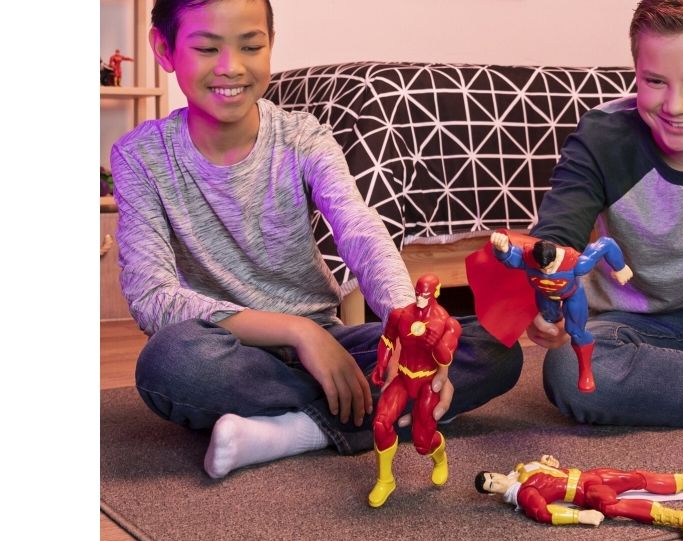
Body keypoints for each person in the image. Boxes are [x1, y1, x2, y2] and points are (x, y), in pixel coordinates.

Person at [110, 0, 522, 480]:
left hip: (332, 339)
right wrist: (298, 333)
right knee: (169, 362)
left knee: (495, 348)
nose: (231, 67)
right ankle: (369, 410)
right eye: (206, 49)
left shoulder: (303, 136)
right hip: (228, 348)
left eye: (251, 46)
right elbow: (152, 297)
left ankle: (291, 431)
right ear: (164, 49)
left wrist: (407, 325)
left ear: (270, 44)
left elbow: (358, 228)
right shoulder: (139, 156)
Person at [526, 0, 683, 426]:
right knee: (572, 368)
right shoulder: (603, 136)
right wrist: (543, 294)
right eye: (655, 81)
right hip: (632, 324)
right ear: (635, 73)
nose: (676, 106)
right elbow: (557, 237)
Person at [489, 231, 633, 393]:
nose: (546, 272)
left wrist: (620, 267)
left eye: (549, 268)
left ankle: (585, 370)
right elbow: (511, 258)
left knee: (576, 331)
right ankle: (554, 322)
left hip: (572, 296)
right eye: (541, 268)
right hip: (545, 297)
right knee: (550, 321)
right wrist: (503, 249)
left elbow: (606, 244)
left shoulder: (577, 264)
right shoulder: (529, 259)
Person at [368, 274, 461, 508]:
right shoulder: (401, 315)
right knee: (380, 423)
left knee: (422, 442)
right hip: (402, 376)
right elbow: (388, 340)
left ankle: (439, 455)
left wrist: (436, 344)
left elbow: (446, 358)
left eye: (425, 295)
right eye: (418, 293)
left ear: (436, 293)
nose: (420, 299)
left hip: (427, 382)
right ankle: (385, 480)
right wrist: (381, 363)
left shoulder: (447, 323)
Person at [475, 454, 683, 541]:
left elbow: (550, 472)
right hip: (584, 492)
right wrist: (580, 516)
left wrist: (549, 463)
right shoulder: (524, 494)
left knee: (635, 478)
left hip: (589, 475)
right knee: (612, 507)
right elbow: (545, 513)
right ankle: (678, 517)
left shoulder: (522, 470)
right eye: (492, 485)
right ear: (493, 493)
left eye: (492, 476)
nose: (497, 481)